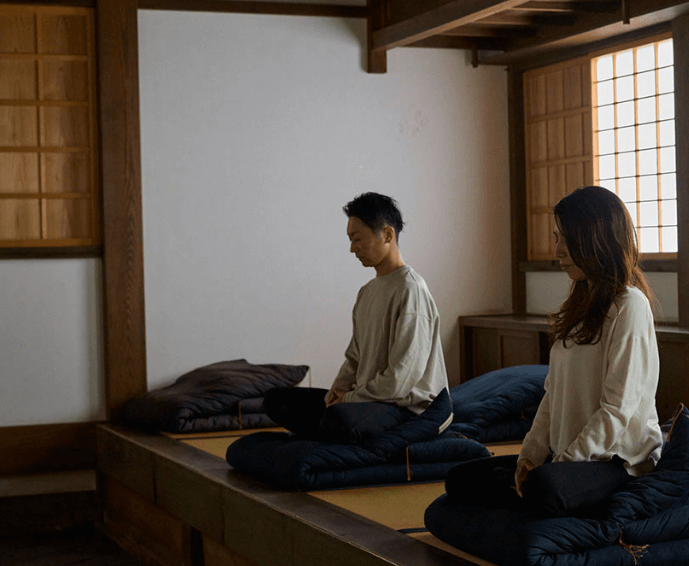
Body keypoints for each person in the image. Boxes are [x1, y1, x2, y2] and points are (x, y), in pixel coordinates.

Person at [445, 185, 662, 515]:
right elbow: (552, 394)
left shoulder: (630, 307)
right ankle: (521, 485)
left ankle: (528, 491)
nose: (558, 250)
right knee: (460, 478)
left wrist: (563, 464)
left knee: (544, 488)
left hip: (619, 462)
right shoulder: (579, 307)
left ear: (595, 238)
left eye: (565, 238)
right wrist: (528, 457)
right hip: (568, 457)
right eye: (557, 237)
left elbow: (617, 410)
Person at [263, 192, 449, 444]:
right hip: (366, 399)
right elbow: (354, 359)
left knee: (340, 418)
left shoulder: (411, 290)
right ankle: (330, 425)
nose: (352, 249)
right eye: (350, 239)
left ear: (387, 234)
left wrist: (348, 400)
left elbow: (401, 379)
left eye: (357, 239)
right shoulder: (367, 292)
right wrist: (335, 394)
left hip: (405, 407)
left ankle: (330, 427)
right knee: (276, 399)